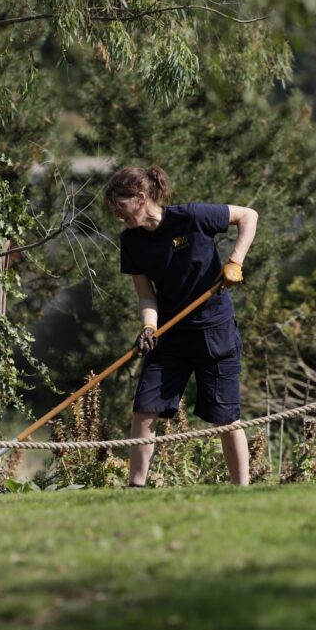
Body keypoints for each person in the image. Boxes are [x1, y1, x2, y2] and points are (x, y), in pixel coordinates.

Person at [104, 165, 259, 487]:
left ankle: (242, 490)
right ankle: (136, 487)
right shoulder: (131, 242)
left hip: (214, 330)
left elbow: (249, 216)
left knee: (225, 418)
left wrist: (235, 262)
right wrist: (149, 328)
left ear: (141, 197)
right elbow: (146, 294)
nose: (118, 215)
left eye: (121, 206)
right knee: (145, 409)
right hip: (169, 335)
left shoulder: (191, 217)